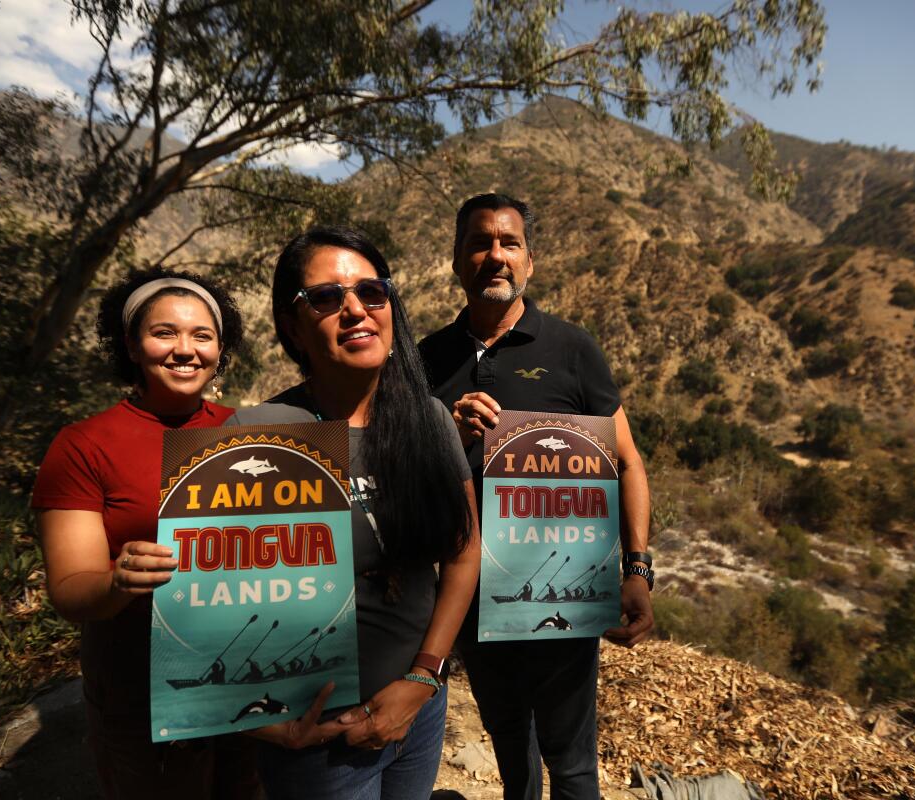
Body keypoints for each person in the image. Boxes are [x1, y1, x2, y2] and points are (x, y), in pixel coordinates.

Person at [229, 226, 481, 800]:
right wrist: (265, 723)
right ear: (291, 325)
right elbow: (215, 609)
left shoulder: (430, 422)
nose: (354, 310)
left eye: (372, 292)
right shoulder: (257, 436)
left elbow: (464, 554)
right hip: (318, 740)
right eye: (325, 297)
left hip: (418, 710)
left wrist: (424, 676)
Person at [418, 193, 655, 800]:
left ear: (529, 260)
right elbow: (401, 467)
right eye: (478, 243)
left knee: (572, 766)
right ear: (455, 258)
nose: (494, 255)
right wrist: (442, 425)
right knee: (509, 750)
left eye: (508, 243)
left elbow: (627, 461)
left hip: (562, 595)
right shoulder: (424, 358)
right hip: (469, 597)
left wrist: (637, 569)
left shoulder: (573, 349)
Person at [31, 268, 258, 799]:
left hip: (250, 680)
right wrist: (117, 582)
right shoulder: (83, 444)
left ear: (220, 351)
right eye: (165, 333)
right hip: (139, 695)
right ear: (132, 346)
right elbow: (70, 590)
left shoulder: (250, 431)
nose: (185, 349)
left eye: (202, 336)